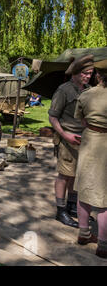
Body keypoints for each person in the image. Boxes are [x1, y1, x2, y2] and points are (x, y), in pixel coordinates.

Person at [48, 55, 94, 228]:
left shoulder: (88, 90)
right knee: (65, 175)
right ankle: (60, 211)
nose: (88, 76)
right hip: (67, 140)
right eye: (85, 73)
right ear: (75, 73)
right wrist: (64, 134)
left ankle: (72, 206)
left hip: (84, 140)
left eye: (90, 73)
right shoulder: (63, 91)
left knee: (76, 175)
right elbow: (52, 117)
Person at [73, 68, 107, 258]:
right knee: (104, 198)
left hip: (89, 142)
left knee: (84, 189)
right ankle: (103, 244)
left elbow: (81, 120)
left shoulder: (86, 95)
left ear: (99, 76)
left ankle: (84, 233)